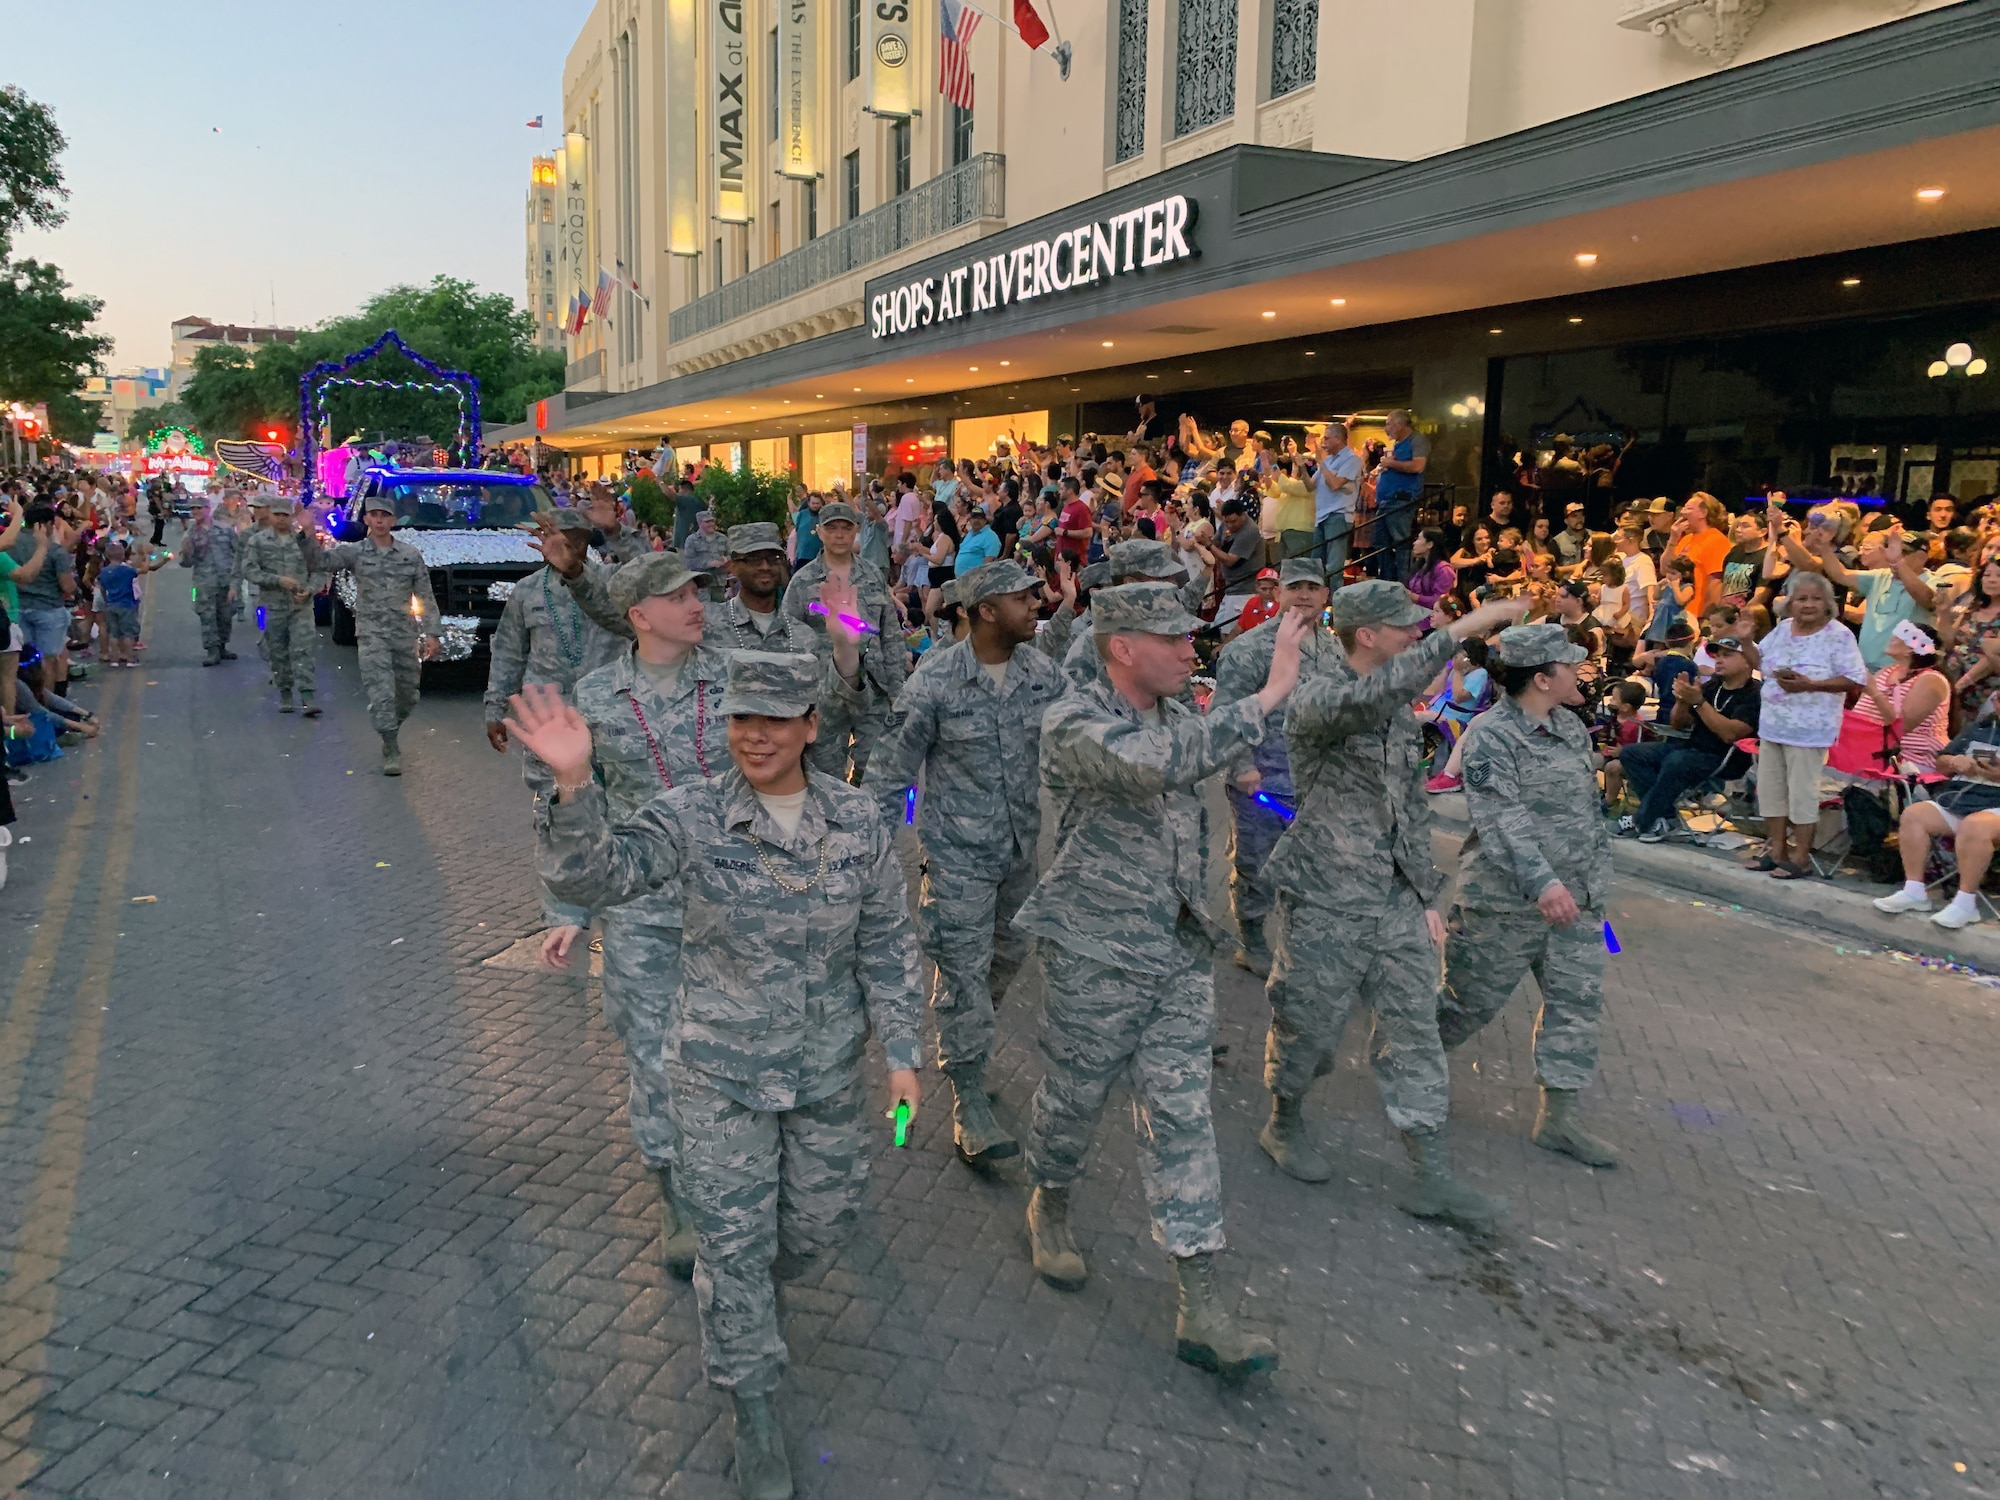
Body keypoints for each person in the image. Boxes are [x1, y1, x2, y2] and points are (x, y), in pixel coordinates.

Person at [514, 645, 918, 1500]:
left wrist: (906, 1054)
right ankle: (756, 1412)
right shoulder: (689, 815)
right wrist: (576, 785)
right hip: (717, 1077)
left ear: (812, 726)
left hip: (825, 1076)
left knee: (813, 1228)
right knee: (733, 1252)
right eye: (740, 718)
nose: (755, 736)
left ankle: (752, 1305)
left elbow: (888, 941)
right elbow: (599, 872)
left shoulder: (860, 822)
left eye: (775, 719)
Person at [1013, 583, 1306, 1378]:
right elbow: (1152, 769)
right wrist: (1267, 693)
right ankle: (1052, 1200)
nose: (1190, 651)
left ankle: (1201, 1301)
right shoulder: (1073, 721)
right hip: (1094, 950)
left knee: (1181, 1117)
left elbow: (1202, 756)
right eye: (1172, 640)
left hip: (1178, 950)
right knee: (1074, 1101)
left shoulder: (1184, 719)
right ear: (1122, 648)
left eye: (1192, 638)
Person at [1254, 583, 1529, 1228]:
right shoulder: (1320, 697)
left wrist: (1428, 893)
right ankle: (1283, 1121)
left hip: (1395, 899)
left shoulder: (1399, 711)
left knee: (1413, 1031)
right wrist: (1466, 627)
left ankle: (1431, 1175)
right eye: (1404, 626)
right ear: (1367, 635)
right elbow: (1368, 696)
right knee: (1309, 1025)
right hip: (1328, 896)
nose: (1416, 632)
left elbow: (1408, 805)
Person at [866, 559, 1067, 1173]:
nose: (1036, 605)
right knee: (962, 975)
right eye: (1021, 599)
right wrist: (865, 857)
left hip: (1018, 856)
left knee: (1004, 963)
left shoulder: (1043, 674)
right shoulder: (936, 681)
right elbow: (890, 769)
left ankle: (968, 1045)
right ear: (984, 612)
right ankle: (968, 1098)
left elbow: (1081, 737)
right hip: (956, 861)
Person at [1436, 624, 1619, 1167]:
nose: (1579, 670)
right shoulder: (1491, 737)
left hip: (1577, 903)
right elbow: (1502, 821)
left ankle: (1558, 1120)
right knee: (1467, 1005)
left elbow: (1586, 814)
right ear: (1542, 678)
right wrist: (1544, 884)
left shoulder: (1570, 727)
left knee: (1578, 1004)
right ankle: (1404, 1059)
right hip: (1504, 903)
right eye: (1568, 664)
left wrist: (1590, 889)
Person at [1210, 557, 1340, 978]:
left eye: (1313, 587)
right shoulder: (1248, 650)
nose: (1304, 595)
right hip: (1263, 782)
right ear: (1280, 592)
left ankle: (1301, 941)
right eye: (1295, 586)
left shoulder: (1335, 650)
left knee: (1314, 868)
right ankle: (1251, 940)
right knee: (1256, 866)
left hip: (1317, 786)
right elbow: (1224, 715)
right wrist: (1241, 768)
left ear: (1325, 596)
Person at [485, 508, 627, 854]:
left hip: (608, 716)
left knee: (613, 807)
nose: (568, 545)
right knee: (554, 805)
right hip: (548, 718)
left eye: (577, 538)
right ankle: (563, 888)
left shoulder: (611, 582)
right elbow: (509, 653)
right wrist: (495, 708)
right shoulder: (527, 592)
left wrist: (615, 534)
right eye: (560, 537)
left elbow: (649, 581)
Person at [782, 500, 905, 782]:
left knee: (877, 770)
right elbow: (788, 637)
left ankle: (868, 823)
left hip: (873, 687)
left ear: (856, 531)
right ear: (820, 533)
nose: (839, 535)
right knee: (823, 775)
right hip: (825, 693)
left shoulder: (872, 575)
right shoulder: (803, 581)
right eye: (832, 528)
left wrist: (898, 689)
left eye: (845, 528)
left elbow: (890, 633)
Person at [1752, 572, 1865, 877]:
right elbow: (1757, 661)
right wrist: (1740, 639)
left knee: (1802, 795)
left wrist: (1809, 685)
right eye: (1801, 598)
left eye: (1816, 598)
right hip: (1773, 724)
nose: (1809, 604)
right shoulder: (1783, 629)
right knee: (1772, 791)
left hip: (1810, 731)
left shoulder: (1838, 635)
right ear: (1789, 603)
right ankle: (1777, 851)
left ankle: (1801, 858)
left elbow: (1855, 679)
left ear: (1828, 604)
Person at [318, 495, 441, 774]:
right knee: (381, 691)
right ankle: (390, 744)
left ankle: (392, 725)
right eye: (374, 515)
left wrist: (432, 632)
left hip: (403, 633)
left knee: (408, 695)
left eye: (384, 516)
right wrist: (306, 535)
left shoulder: (410, 555)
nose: (379, 520)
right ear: (366, 520)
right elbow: (322, 562)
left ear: (393, 521)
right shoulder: (356, 552)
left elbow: (425, 595)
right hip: (372, 633)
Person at [1615, 636, 1760, 842]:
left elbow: (1730, 734)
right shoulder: (1712, 687)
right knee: (1632, 753)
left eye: (1727, 655)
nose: (1718, 660)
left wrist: (1699, 702)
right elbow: (1678, 724)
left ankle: (1643, 819)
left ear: (1747, 661)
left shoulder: (1753, 694)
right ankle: (1663, 817)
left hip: (1725, 759)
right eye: (1717, 655)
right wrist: (1682, 701)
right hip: (1691, 748)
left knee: (1678, 762)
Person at [1873, 715, 2000, 930]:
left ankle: (1966, 903)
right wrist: (1954, 762)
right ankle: (1914, 890)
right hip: (1961, 799)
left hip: (1994, 806)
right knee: (1914, 815)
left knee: (1974, 826)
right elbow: (1941, 762)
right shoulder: (1979, 728)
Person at [236, 502, 325, 713]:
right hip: (272, 605)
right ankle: (285, 693)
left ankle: (307, 697)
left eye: (286, 515)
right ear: (270, 515)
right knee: (277, 651)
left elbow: (320, 568)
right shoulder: (258, 541)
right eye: (277, 515)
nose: (281, 519)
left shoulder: (304, 542)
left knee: (303, 650)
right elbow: (249, 570)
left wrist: (310, 589)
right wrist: (277, 580)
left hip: (300, 607)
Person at [1851, 619, 1950, 775]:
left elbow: (1900, 727)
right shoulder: (1886, 672)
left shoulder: (1931, 680)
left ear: (1910, 649)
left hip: (1910, 761)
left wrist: (1874, 692)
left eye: (1898, 637)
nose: (1891, 639)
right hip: (1868, 752)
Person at [175, 503, 240, 668]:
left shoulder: (225, 529)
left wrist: (237, 578)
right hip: (204, 581)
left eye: (199, 507)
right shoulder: (190, 533)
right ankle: (212, 649)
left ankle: (223, 646)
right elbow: (185, 563)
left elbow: (239, 553)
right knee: (207, 615)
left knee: (226, 615)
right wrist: (187, 552)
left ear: (207, 509)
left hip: (225, 580)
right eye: (193, 508)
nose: (195, 511)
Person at [1311, 423, 1362, 575]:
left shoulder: (1352, 459)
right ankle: (1317, 597)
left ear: (1338, 439)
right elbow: (1309, 486)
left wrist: (1320, 462)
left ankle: (1335, 597)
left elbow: (1335, 484)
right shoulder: (1327, 461)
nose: (1323, 442)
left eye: (1326, 438)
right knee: (1316, 563)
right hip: (1321, 516)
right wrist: (1300, 466)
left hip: (1338, 515)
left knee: (1334, 565)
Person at [681, 509, 731, 590]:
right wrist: (709, 564)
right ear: (700, 523)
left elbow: (731, 554)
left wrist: (727, 560)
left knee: (720, 602)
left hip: (719, 582)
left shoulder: (722, 538)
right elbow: (689, 562)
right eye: (707, 522)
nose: (711, 524)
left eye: (712, 521)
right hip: (702, 584)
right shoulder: (691, 540)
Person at [1233, 568, 1281, 636]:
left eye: (1271, 588)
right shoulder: (1252, 602)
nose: (1268, 593)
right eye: (1264, 589)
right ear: (1257, 587)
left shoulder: (1283, 605)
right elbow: (1239, 627)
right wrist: (1224, 645)